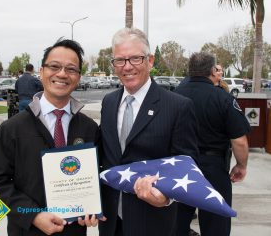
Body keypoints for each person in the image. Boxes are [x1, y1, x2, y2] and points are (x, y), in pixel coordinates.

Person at [0, 39, 102, 236]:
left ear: (78, 77)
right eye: (54, 66)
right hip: (27, 231)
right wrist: (32, 215)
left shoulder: (89, 128)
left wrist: (94, 207)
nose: (62, 74)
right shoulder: (12, 128)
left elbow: (97, 177)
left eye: (71, 69)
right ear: (41, 71)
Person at [99, 27, 199, 236]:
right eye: (120, 60)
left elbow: (185, 165)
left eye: (135, 58)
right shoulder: (108, 102)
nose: (127, 67)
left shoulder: (178, 106)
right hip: (110, 222)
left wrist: (166, 198)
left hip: (153, 221)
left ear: (150, 60)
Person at [174, 52, 250, 236]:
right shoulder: (223, 98)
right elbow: (239, 140)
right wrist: (241, 165)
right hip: (213, 169)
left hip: (180, 168)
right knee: (216, 226)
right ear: (212, 70)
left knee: (176, 223)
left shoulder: (175, 95)